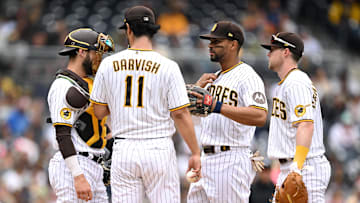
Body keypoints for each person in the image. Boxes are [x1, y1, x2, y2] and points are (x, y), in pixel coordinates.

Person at [90, 5, 201, 203]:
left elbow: (98, 111)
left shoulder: (108, 64)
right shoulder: (168, 66)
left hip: (124, 147)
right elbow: (181, 114)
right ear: (153, 31)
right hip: (158, 147)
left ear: (129, 30)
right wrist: (194, 151)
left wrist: (120, 107)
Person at [187, 21, 268, 203]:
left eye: (217, 42)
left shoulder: (247, 76)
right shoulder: (213, 79)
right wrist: (195, 88)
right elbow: (187, 110)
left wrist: (218, 106)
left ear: (233, 44)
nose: (211, 45)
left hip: (230, 159)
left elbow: (260, 116)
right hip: (206, 158)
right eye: (210, 42)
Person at [261, 32, 331, 202]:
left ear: (286, 52)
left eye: (273, 49)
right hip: (293, 167)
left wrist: (297, 167)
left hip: (304, 167)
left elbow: (306, 125)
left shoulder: (296, 82)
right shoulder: (287, 83)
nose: (269, 53)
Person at [47, 28, 114, 202]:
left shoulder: (90, 83)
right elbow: (62, 134)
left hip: (93, 164)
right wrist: (78, 176)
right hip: (73, 164)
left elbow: (94, 124)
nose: (99, 59)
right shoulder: (63, 86)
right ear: (82, 52)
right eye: (96, 53)